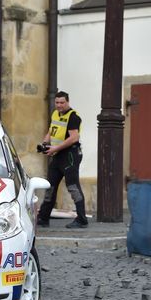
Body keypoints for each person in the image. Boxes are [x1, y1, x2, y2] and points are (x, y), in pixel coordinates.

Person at [37, 91, 88, 229]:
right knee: (50, 186)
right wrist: (45, 143)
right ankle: (43, 218)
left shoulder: (73, 117)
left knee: (72, 186)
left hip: (70, 155)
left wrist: (55, 148)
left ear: (68, 102)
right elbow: (51, 131)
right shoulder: (55, 113)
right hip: (58, 155)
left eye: (62, 103)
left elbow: (74, 138)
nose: (59, 105)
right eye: (57, 102)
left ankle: (82, 219)